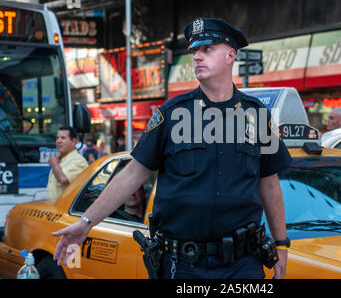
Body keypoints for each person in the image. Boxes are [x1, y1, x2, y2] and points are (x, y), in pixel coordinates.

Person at [52, 18, 292, 279]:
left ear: (230, 55)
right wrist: (86, 222)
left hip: (242, 265)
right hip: (182, 265)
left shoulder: (256, 115)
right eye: (194, 51)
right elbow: (132, 174)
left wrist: (281, 245)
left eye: (207, 49)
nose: (197, 57)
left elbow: (269, 184)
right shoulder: (172, 114)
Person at [46, 127, 88, 199]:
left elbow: (63, 179)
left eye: (63, 138)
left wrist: (54, 165)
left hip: (64, 209)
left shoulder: (78, 160)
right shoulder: (58, 159)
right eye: (57, 138)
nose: (59, 141)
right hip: (52, 208)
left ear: (73, 141)